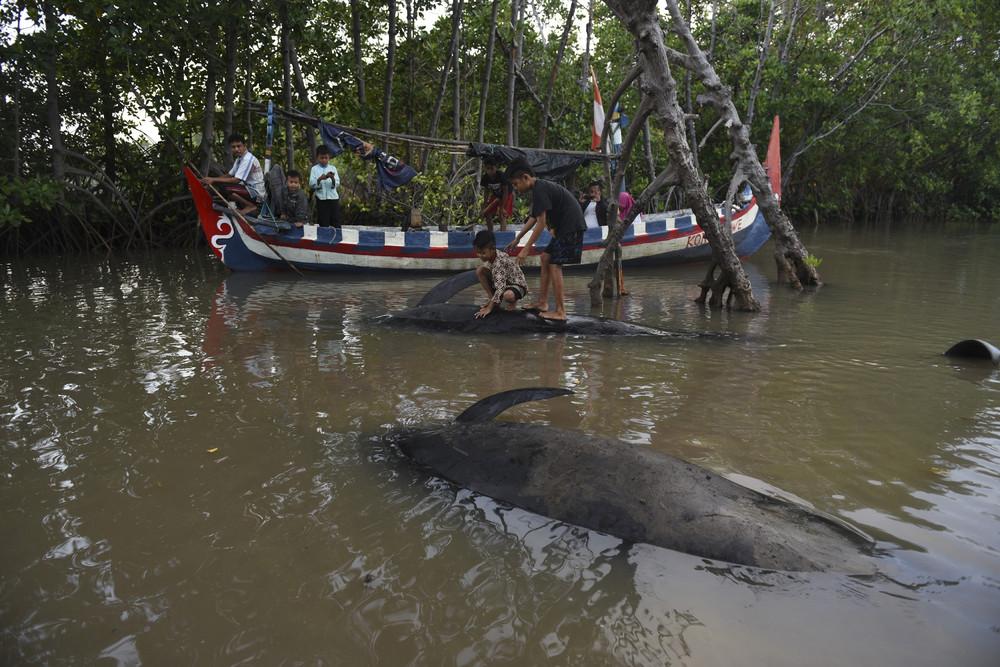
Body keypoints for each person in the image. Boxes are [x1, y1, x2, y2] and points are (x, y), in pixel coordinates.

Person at [504, 157, 586, 321]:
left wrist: (526, 249)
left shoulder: (540, 188)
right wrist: (518, 239)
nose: (515, 188)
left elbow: (541, 223)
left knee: (554, 265)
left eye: (516, 184)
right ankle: (542, 303)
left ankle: (561, 311)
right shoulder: (538, 189)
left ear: (526, 178)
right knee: (545, 257)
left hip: (571, 227)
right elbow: (533, 218)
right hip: (566, 227)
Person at [203, 134, 266, 215]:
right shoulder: (240, 159)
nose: (236, 149)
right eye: (233, 147)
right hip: (248, 189)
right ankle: (238, 205)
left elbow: (236, 180)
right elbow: (229, 175)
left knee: (225, 187)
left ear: (244, 146)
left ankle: (250, 206)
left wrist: (214, 180)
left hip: (256, 193)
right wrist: (210, 180)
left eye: (238, 146)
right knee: (222, 185)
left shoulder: (247, 159)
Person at [473, 230, 528, 319]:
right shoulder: (492, 256)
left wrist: (489, 308)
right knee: (480, 270)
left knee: (508, 296)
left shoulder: (499, 262)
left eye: (483, 253)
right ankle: (492, 298)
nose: (480, 255)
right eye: (478, 252)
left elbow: (500, 289)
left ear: (493, 249)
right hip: (503, 283)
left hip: (518, 286)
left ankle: (512, 302)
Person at [309, 146, 342, 227]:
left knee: (335, 219)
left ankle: (337, 236)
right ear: (317, 158)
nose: (324, 160)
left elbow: (337, 183)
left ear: (329, 157)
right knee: (323, 220)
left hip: (333, 198)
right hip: (321, 198)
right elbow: (311, 184)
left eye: (326, 158)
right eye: (321, 158)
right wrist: (320, 179)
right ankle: (324, 237)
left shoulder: (333, 168)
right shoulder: (314, 169)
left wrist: (332, 178)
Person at [480, 158, 513, 231]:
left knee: (502, 214)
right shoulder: (485, 178)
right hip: (496, 195)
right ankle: (490, 232)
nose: (490, 171)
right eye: (488, 168)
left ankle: (503, 234)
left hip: (507, 195)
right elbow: (486, 191)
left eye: (492, 168)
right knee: (487, 213)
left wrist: (502, 207)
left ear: (496, 167)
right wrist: (485, 204)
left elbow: (505, 191)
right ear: (485, 168)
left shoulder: (501, 176)